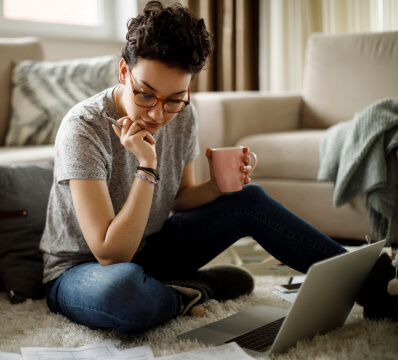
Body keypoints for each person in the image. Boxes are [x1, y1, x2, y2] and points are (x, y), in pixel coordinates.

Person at [40, 1, 396, 334]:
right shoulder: (84, 127)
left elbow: (179, 199)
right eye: (145, 94)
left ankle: (376, 283)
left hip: (151, 250)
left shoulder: (183, 116)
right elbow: (110, 253)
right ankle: (193, 290)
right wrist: (147, 167)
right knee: (125, 295)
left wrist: (218, 188)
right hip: (83, 270)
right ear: (124, 71)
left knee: (249, 198)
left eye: (175, 99)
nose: (156, 114)